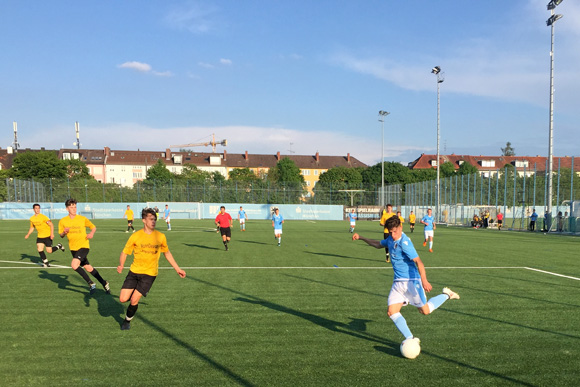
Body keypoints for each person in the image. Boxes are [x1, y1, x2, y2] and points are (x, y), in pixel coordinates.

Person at [352, 216, 459, 346]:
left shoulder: (405, 242)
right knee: (392, 312)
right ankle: (410, 338)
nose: (392, 234)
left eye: (395, 231)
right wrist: (362, 237)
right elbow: (378, 244)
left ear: (400, 228)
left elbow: (419, 262)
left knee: (425, 311)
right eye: (390, 232)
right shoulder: (391, 239)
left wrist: (424, 281)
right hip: (398, 282)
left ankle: (447, 294)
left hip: (412, 281)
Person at [117, 207, 186, 331]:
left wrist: (178, 269)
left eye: (154, 219)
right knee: (122, 299)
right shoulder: (135, 236)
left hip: (149, 273)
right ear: (144, 220)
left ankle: (127, 320)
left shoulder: (160, 236)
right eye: (150, 219)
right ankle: (137, 292)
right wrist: (121, 264)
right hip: (134, 271)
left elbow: (167, 253)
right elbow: (124, 252)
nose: (153, 222)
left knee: (133, 300)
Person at [58, 198, 110, 295]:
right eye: (71, 207)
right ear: (67, 209)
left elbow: (93, 227)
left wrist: (91, 233)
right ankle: (104, 282)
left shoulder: (82, 219)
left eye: (75, 207)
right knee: (88, 267)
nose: (74, 209)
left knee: (74, 265)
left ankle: (90, 283)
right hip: (73, 248)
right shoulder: (63, 221)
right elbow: (60, 235)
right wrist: (64, 232)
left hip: (83, 246)